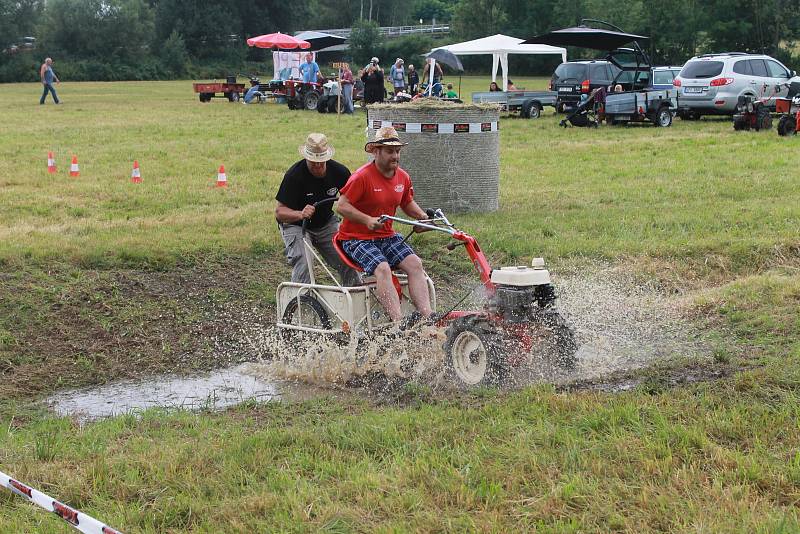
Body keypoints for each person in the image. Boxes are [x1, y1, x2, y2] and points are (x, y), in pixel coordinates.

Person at [336, 127, 433, 324]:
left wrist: (422, 217)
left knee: (415, 264)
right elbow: (342, 206)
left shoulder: (403, 177)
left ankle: (428, 317)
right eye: (390, 151)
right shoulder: (361, 177)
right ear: (376, 151)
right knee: (382, 268)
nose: (395, 156)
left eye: (397, 151)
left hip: (386, 236)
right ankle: (398, 323)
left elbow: (406, 202)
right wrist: (367, 220)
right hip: (356, 239)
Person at [275, 133, 361, 287]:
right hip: (296, 225)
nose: (317, 166)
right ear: (306, 158)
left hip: (326, 223)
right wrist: (300, 214)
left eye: (321, 162)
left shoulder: (340, 172)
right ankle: (301, 303)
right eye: (313, 162)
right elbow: (280, 213)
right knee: (304, 261)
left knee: (347, 258)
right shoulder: (294, 176)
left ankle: (356, 298)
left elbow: (353, 202)